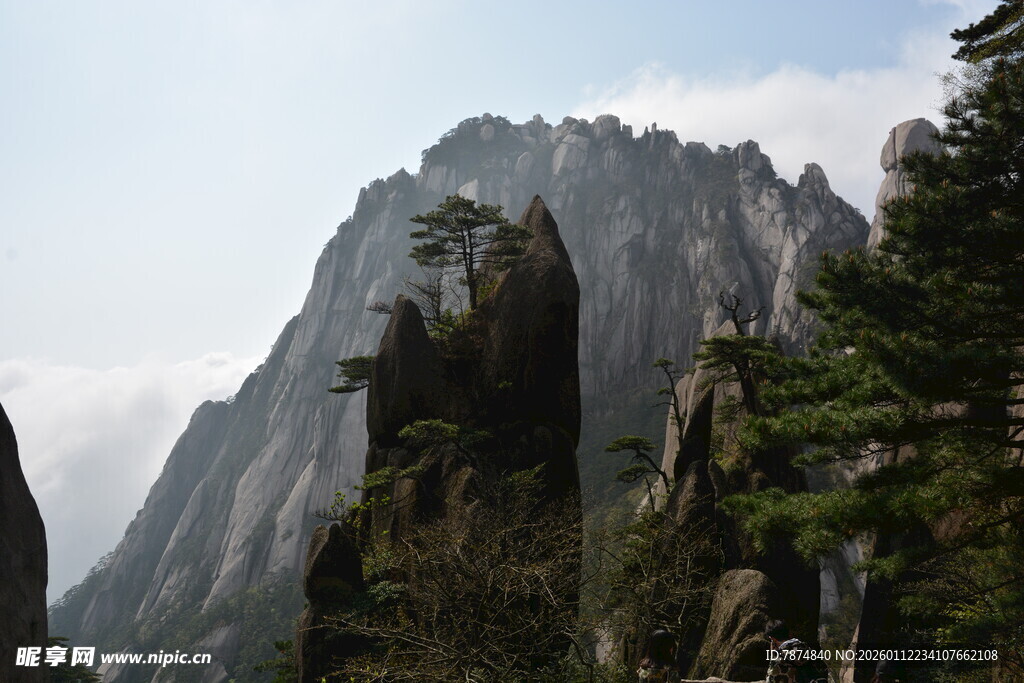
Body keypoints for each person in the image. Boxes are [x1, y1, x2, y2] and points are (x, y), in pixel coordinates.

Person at [764, 619, 831, 683]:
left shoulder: (779, 659)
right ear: (789, 634)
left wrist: (773, 655)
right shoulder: (809, 650)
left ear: (773, 639)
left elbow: (771, 679)